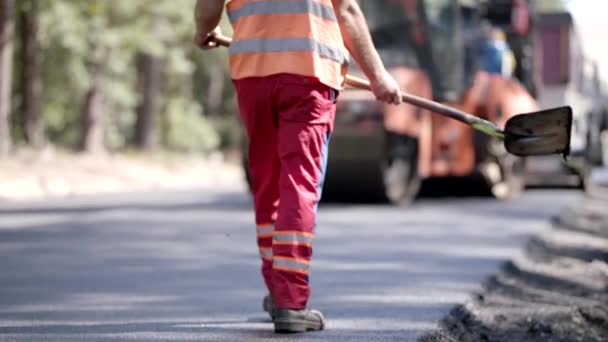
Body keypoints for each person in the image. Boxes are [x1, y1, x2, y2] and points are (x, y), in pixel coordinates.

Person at [194, 0, 402, 334]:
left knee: (268, 183)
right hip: (310, 75)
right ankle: (290, 300)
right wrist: (378, 75)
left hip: (253, 76)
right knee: (298, 185)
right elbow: (346, 9)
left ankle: (279, 293)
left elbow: (208, 6)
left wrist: (203, 31)